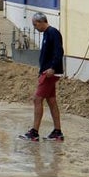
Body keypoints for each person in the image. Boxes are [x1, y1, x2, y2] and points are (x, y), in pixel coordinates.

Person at [20, 12, 65, 141]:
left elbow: (59, 51)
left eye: (35, 25)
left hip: (50, 73)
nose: (35, 28)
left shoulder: (53, 32)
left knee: (37, 99)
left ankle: (34, 132)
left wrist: (52, 67)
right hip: (47, 71)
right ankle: (57, 131)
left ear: (41, 22)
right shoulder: (47, 34)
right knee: (51, 101)